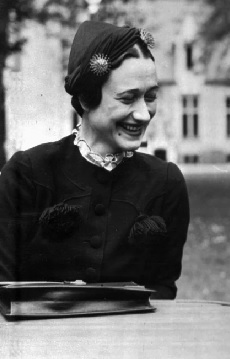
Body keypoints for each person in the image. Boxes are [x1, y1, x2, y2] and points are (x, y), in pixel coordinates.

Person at [0, 21, 189, 299]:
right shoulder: (26, 174)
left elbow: (162, 291)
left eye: (150, 97)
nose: (144, 114)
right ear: (87, 99)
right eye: (128, 99)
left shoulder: (166, 184)